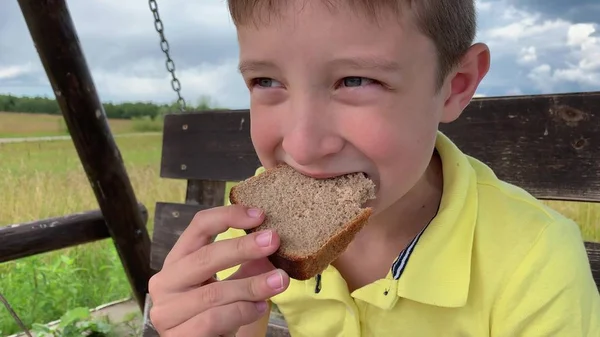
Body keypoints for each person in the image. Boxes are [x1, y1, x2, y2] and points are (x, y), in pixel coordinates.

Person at [147, 0, 600, 336]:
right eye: (266, 81)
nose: (302, 144)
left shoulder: (535, 262)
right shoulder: (254, 243)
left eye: (356, 80)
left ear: (454, 86)